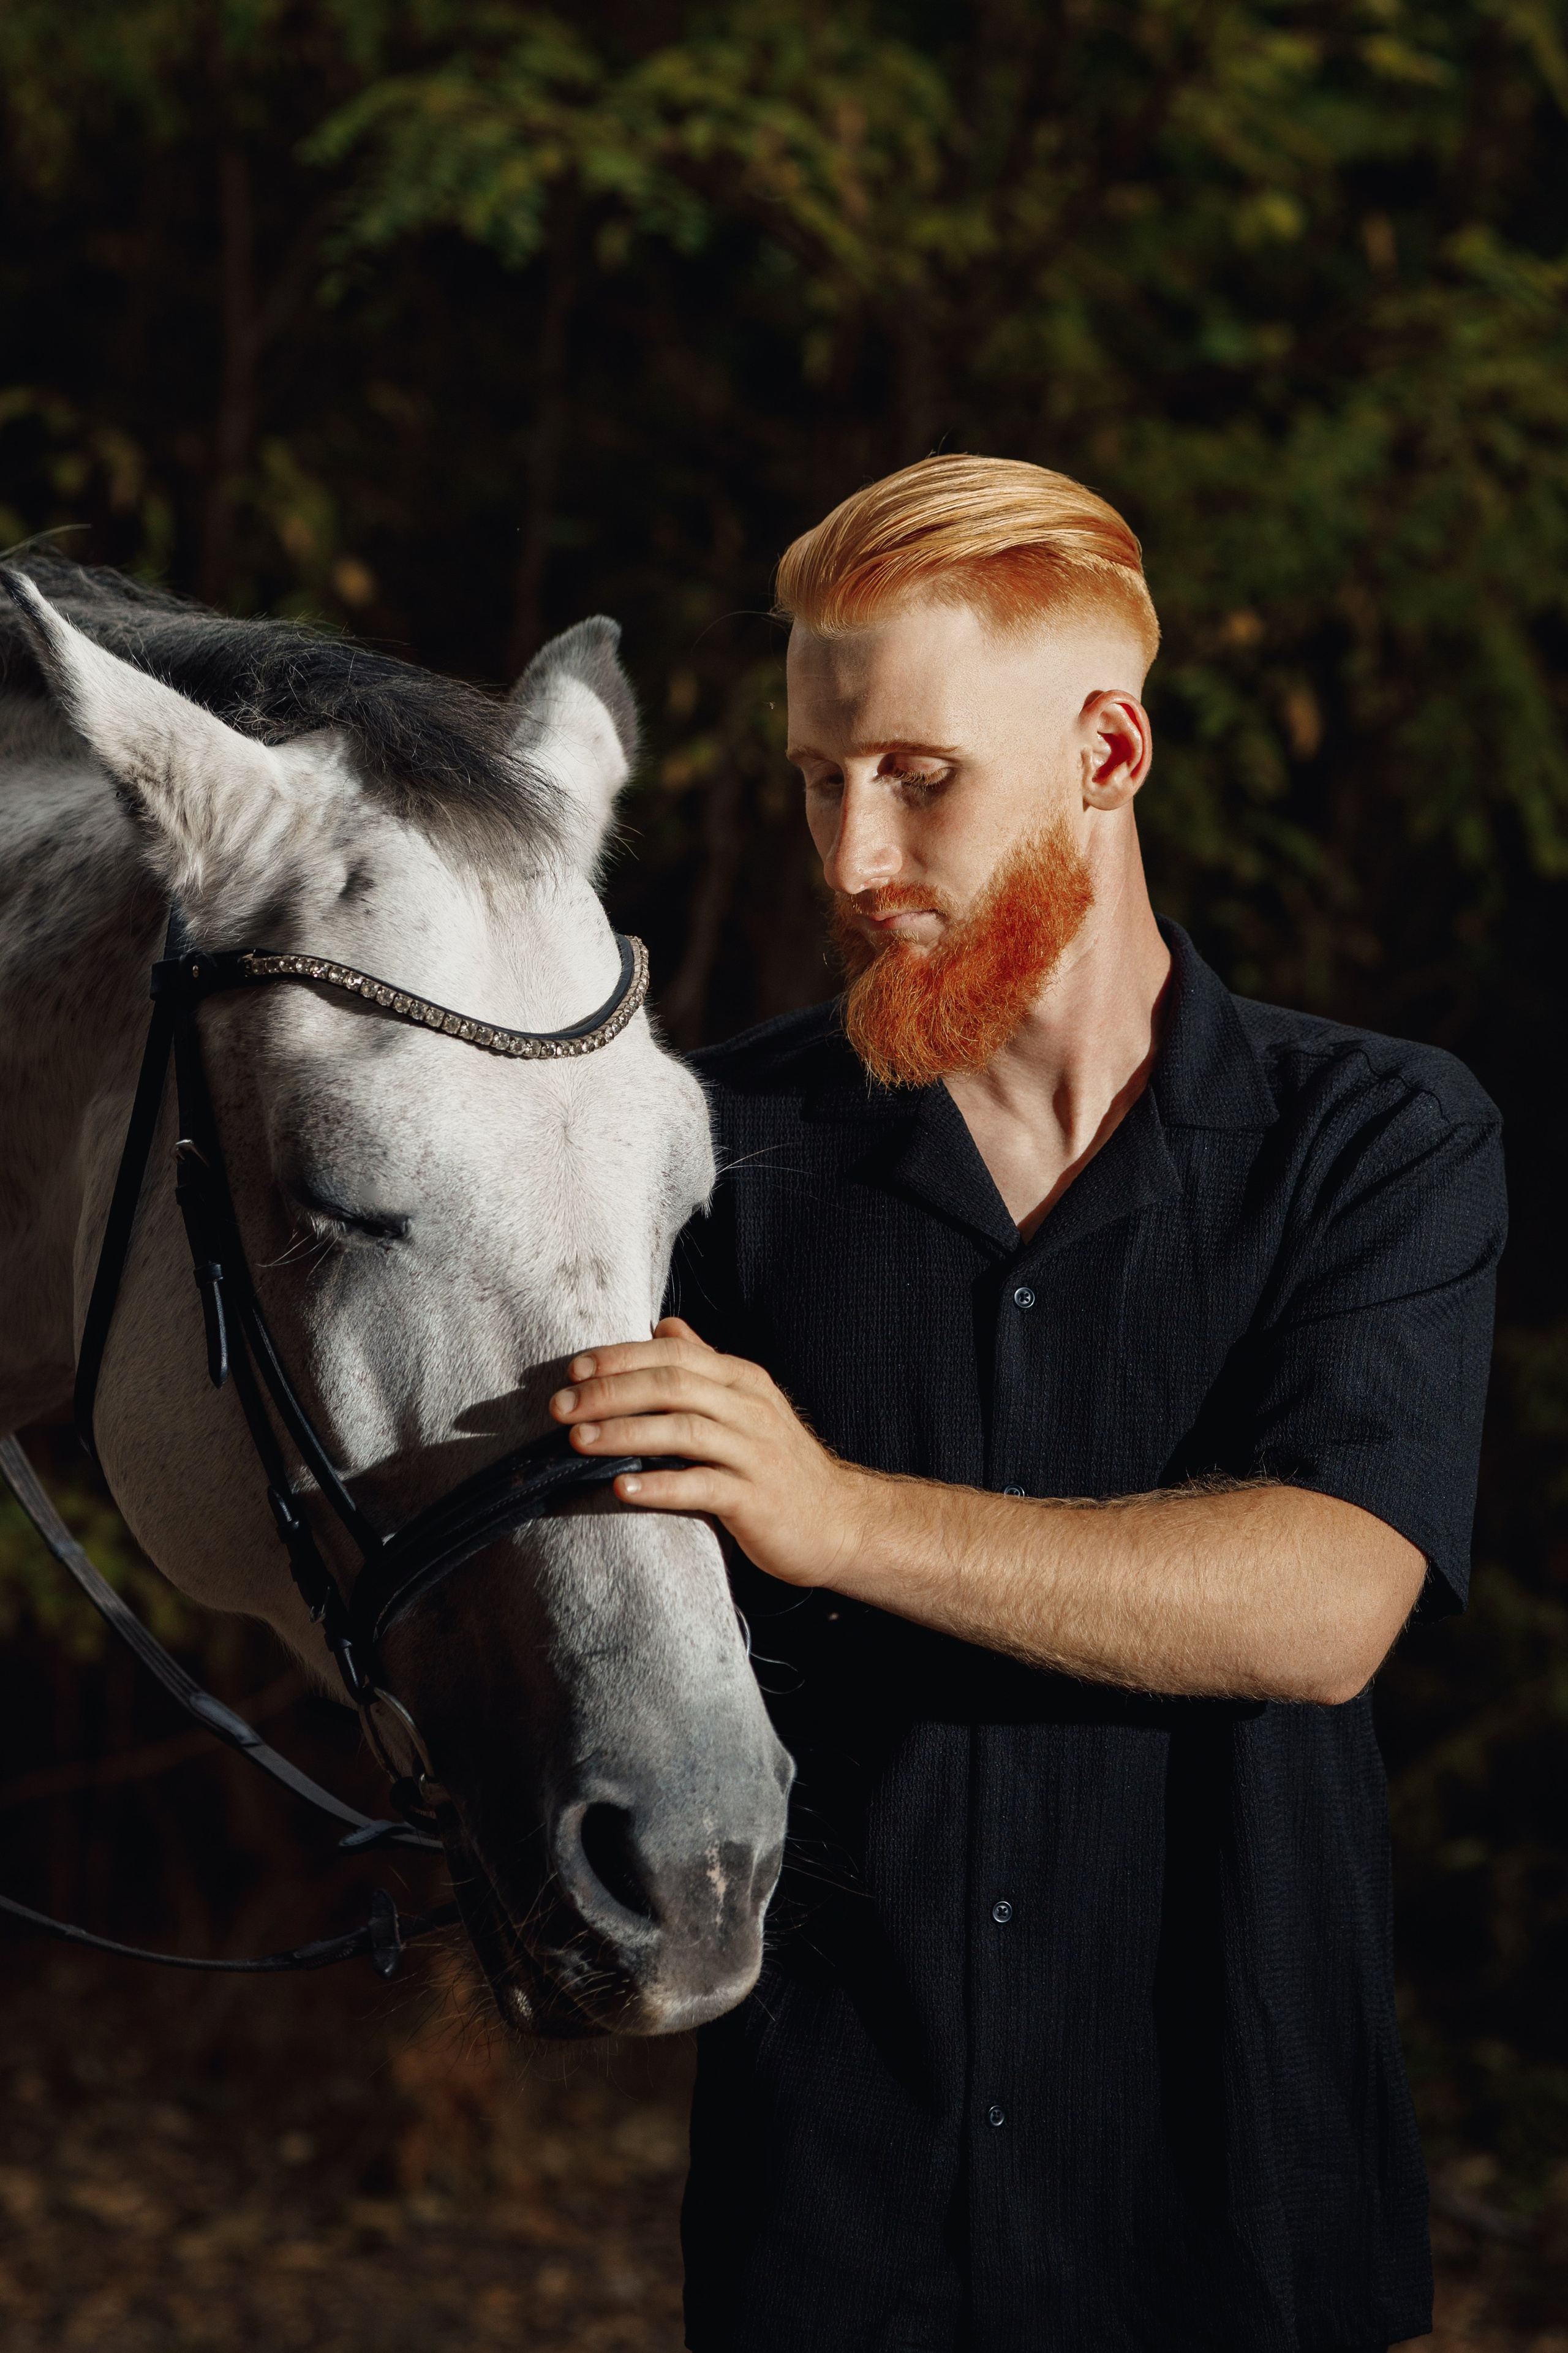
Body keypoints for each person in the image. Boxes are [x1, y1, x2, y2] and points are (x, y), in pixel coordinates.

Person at [548, 456, 1506, 2352]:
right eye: (818, 779)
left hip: (1237, 2231)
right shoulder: (702, 1146)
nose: (851, 858)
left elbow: (1324, 1605)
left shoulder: (1378, 1138)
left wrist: (838, 1516)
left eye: (919, 776)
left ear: (1109, 753)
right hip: (828, 2233)